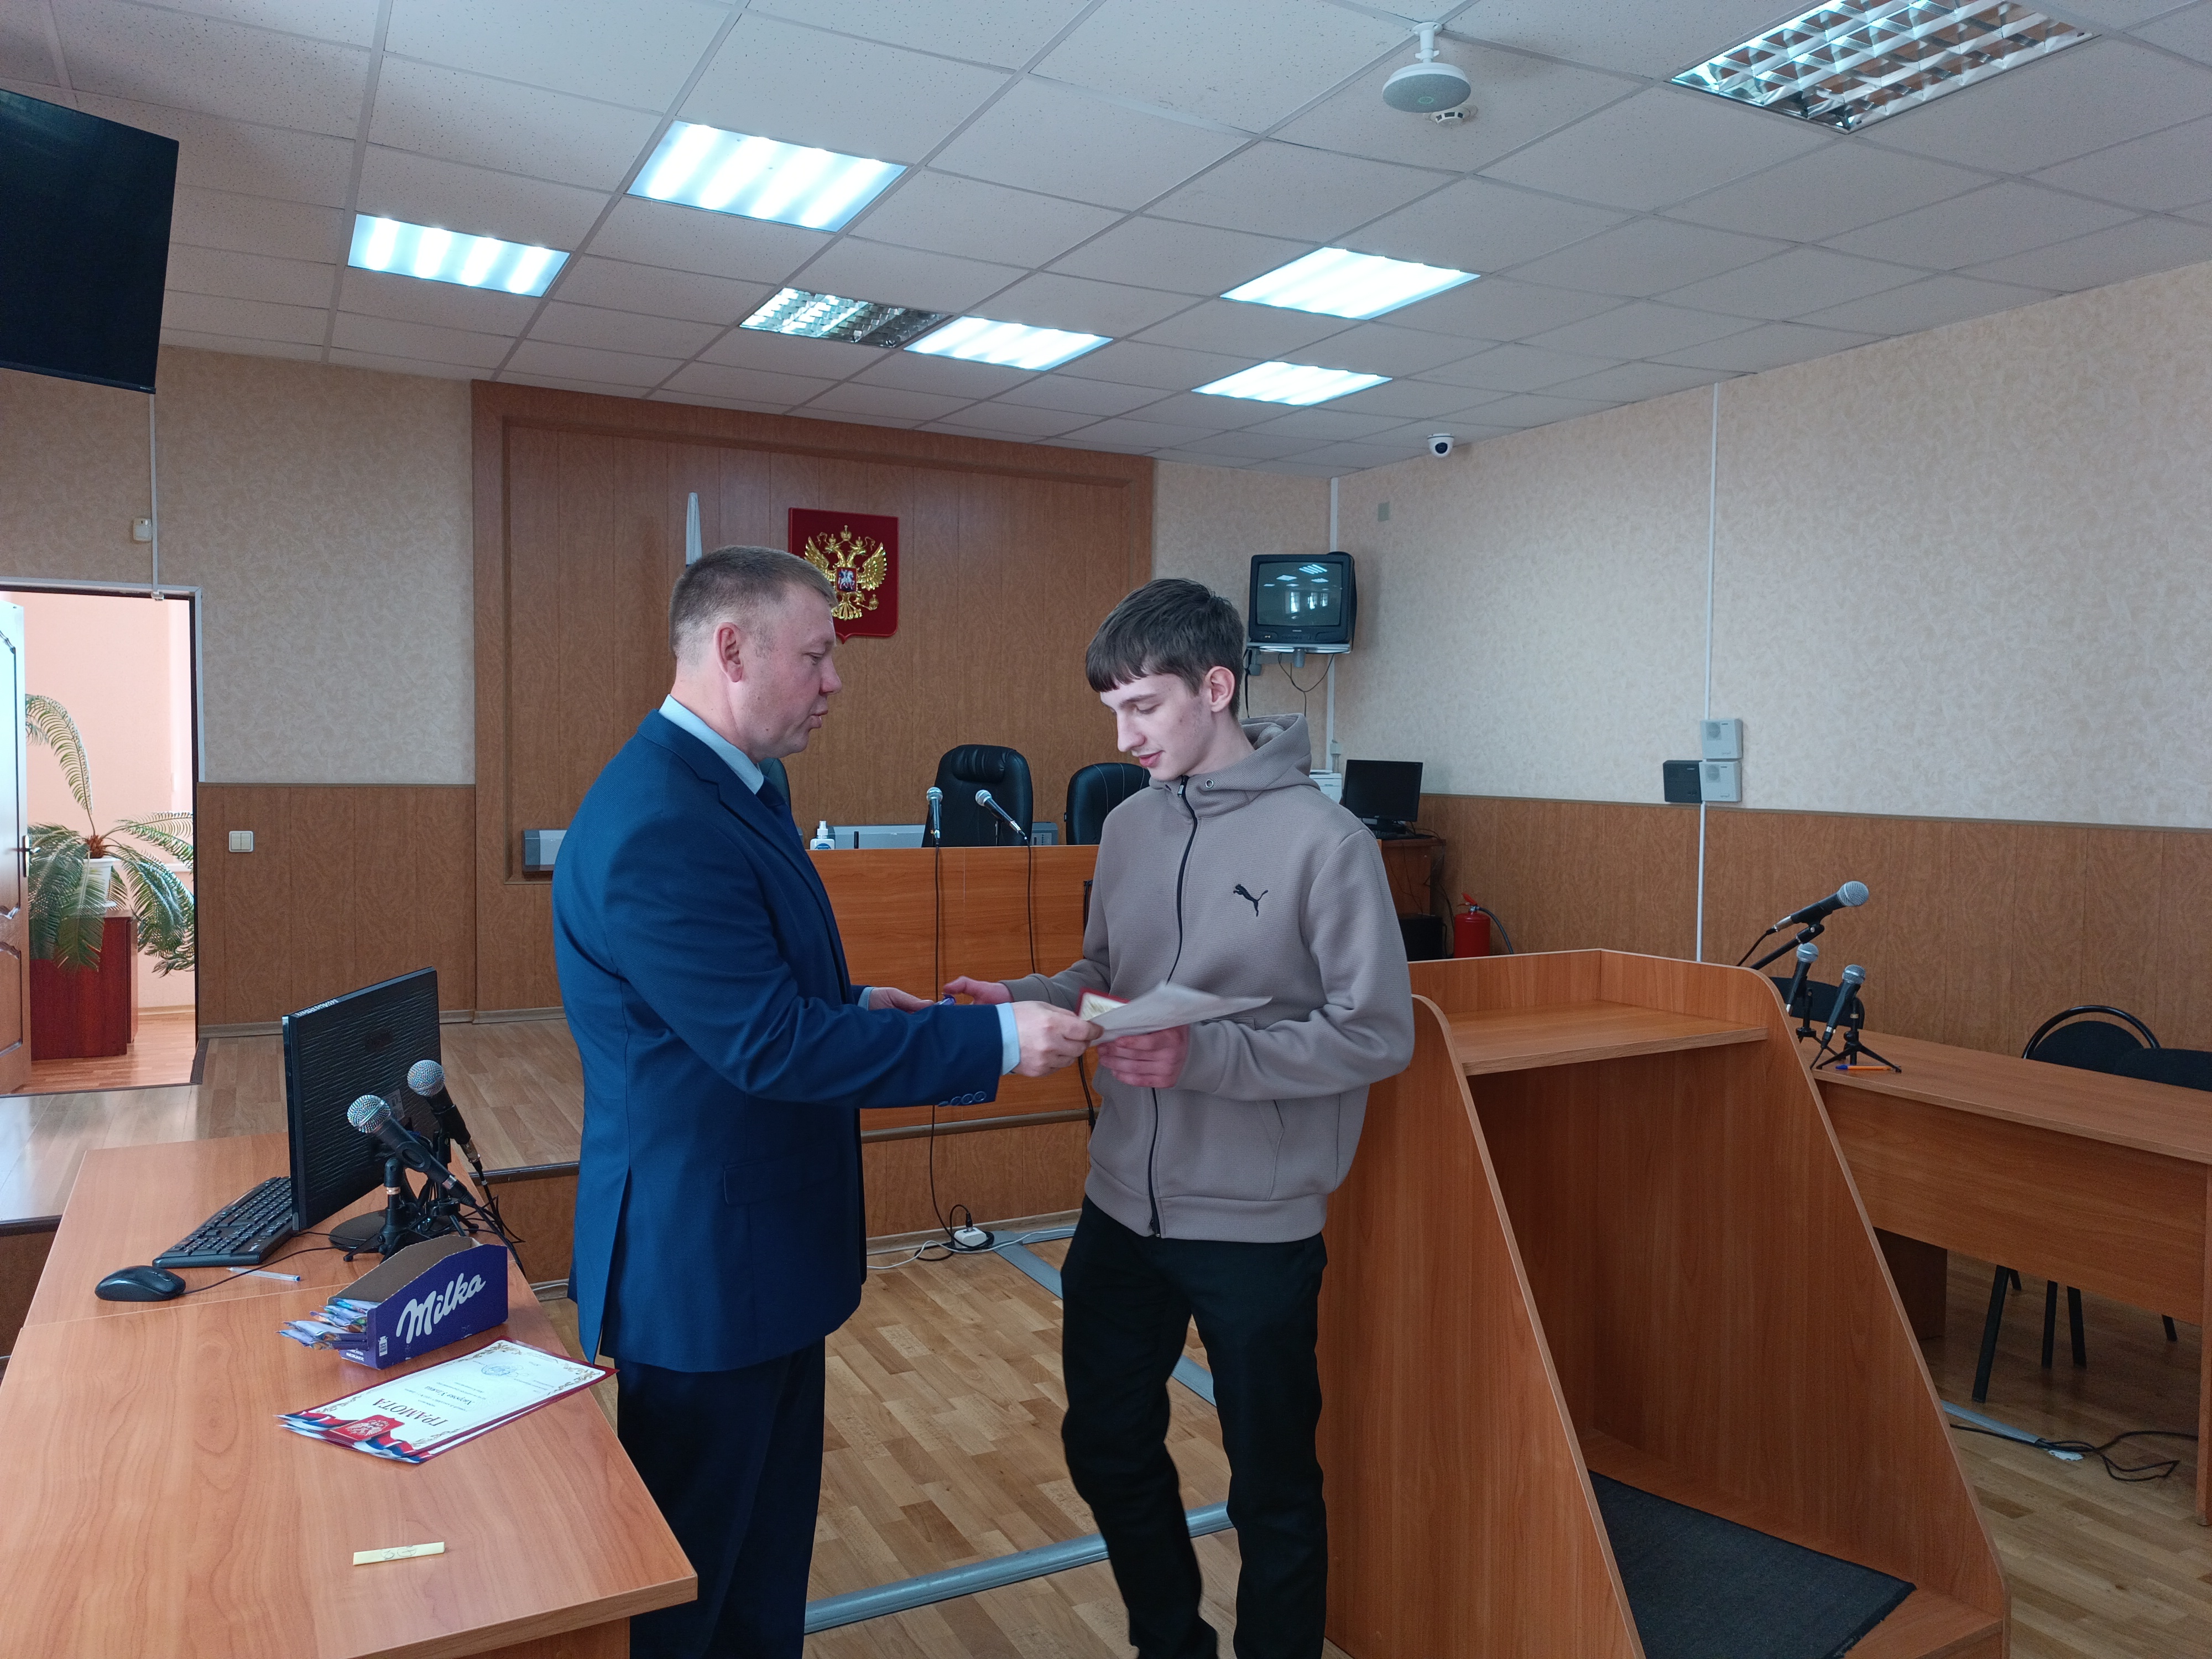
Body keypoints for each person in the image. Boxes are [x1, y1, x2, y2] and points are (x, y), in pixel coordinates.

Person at [553, 545, 1097, 1659]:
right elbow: (764, 1043)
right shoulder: (661, 820)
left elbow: (740, 996)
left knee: (761, 1583)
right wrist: (998, 1037)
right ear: (731, 648)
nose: (835, 681)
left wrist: (852, 1001)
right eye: (815, 656)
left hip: (763, 1252)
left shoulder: (740, 787)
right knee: (691, 1600)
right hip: (704, 1270)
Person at [946, 577, 1415, 1659]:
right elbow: (1107, 977)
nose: (1123, 737)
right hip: (1120, 1207)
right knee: (1106, 1446)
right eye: (1112, 711)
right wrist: (1023, 999)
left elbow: (1375, 1035)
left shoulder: (1327, 842)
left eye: (1142, 707)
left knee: (1272, 1490)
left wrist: (1206, 1058)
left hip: (1255, 1223)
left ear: (1215, 687)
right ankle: (1171, 1644)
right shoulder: (1127, 825)